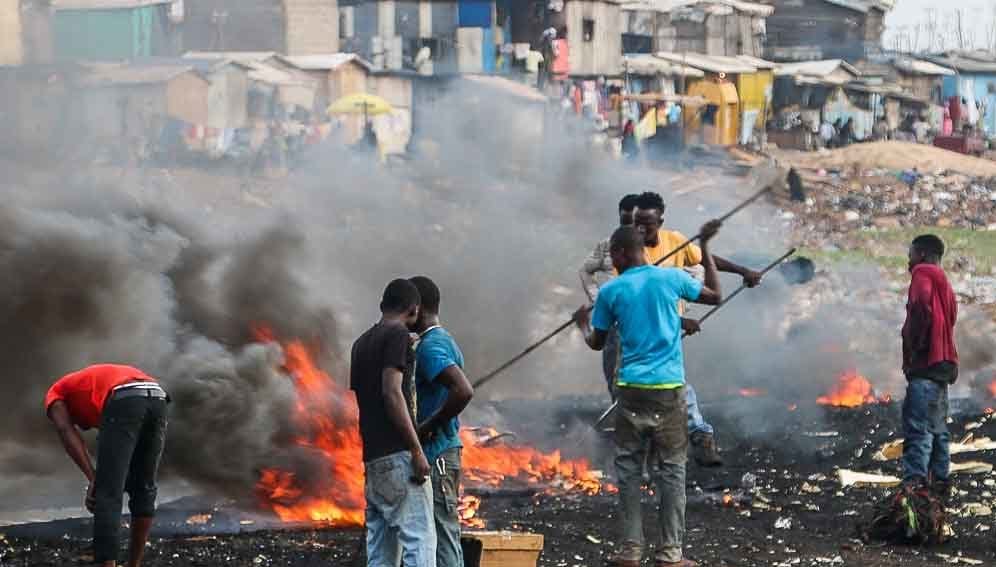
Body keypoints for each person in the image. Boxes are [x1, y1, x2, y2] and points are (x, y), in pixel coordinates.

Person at [574, 223, 723, 567]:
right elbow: (715, 295)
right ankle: (670, 554)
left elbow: (597, 342)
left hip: (630, 389)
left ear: (622, 253)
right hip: (668, 390)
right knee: (672, 470)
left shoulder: (611, 291)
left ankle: (630, 551)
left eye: (613, 255)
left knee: (628, 469)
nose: (611, 262)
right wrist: (706, 247)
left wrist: (582, 323)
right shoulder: (670, 279)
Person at [633, 191, 761, 467]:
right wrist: (680, 321)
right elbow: (636, 303)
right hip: (642, 329)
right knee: (665, 384)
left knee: (667, 383)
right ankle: (696, 434)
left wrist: (743, 271)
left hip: (667, 330)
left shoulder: (674, 241)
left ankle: (681, 441)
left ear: (660, 222)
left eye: (647, 224)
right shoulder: (629, 252)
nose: (640, 229)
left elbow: (704, 259)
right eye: (637, 223)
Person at [45, 364, 168, 567]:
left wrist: (94, 478)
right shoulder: (91, 389)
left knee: (107, 493)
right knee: (144, 489)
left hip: (124, 396)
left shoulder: (55, 394)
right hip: (157, 397)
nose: (83, 427)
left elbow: (65, 431)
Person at [350, 279, 436, 567]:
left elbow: (365, 401)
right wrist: (416, 450)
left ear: (382, 305)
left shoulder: (360, 344)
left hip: (373, 461)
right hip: (399, 458)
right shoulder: (397, 334)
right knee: (420, 541)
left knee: (381, 553)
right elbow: (391, 392)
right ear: (414, 309)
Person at [409, 276, 474, 567]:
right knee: (436, 534)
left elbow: (463, 390)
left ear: (417, 308)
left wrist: (427, 427)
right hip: (442, 453)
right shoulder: (441, 340)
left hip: (437, 455)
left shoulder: (430, 347)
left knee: (442, 534)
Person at [901, 235, 959, 501]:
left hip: (925, 365)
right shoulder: (943, 280)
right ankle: (940, 485)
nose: (908, 260)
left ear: (922, 254)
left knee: (918, 430)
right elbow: (952, 315)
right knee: (938, 430)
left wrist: (916, 346)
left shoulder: (922, 273)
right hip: (943, 366)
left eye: (911, 254)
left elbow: (920, 307)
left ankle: (916, 487)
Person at [580, 194, 641, 396]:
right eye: (624, 222)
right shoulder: (608, 245)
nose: (627, 228)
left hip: (644, 320)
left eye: (632, 223)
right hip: (614, 321)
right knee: (614, 374)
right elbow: (585, 270)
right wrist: (597, 298)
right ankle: (618, 404)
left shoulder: (656, 246)